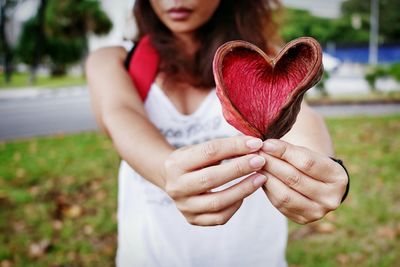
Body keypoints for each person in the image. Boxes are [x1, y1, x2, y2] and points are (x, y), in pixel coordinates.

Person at [86, 0, 349, 266]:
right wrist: (167, 172)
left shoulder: (264, 63)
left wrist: (322, 171)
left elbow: (304, 122)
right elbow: (120, 115)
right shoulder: (113, 62)